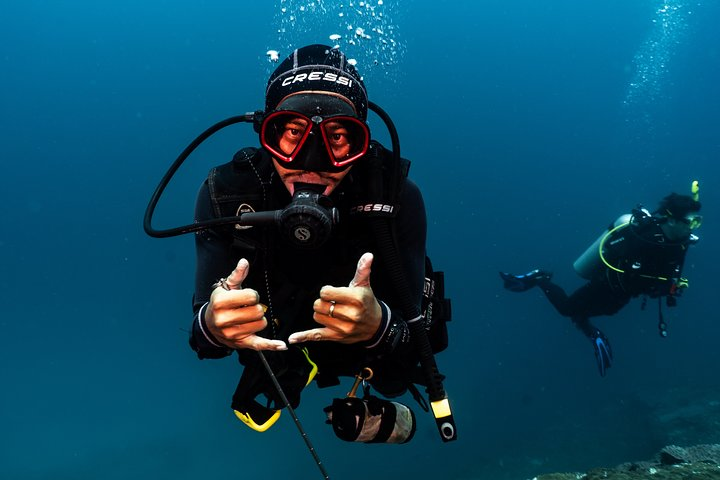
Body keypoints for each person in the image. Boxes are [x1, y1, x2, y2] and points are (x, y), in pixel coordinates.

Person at [186, 44, 453, 443]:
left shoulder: (396, 198)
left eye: (339, 137)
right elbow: (203, 340)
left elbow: (416, 342)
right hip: (276, 340)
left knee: (396, 380)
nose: (313, 161)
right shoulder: (225, 195)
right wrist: (213, 324)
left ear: (362, 142)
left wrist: (380, 325)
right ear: (266, 133)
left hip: (362, 348)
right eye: (293, 133)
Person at [500, 185, 702, 377]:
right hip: (605, 285)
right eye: (691, 222)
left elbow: (667, 273)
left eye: (697, 222)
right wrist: (637, 268)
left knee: (606, 311)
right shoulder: (643, 237)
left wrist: (669, 286)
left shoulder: (680, 243)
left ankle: (583, 322)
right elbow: (614, 250)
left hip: (624, 294)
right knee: (566, 308)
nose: (693, 228)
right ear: (673, 220)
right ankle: (540, 278)